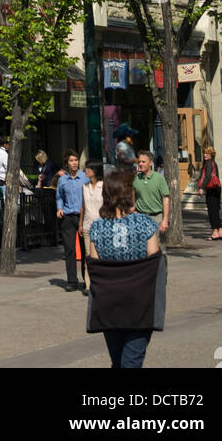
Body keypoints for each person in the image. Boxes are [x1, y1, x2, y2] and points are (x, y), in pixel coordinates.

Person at [88, 170, 161, 370]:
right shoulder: (146, 225)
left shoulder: (97, 228)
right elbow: (154, 264)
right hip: (139, 304)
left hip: (109, 304)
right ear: (129, 195)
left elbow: (95, 267)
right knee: (131, 362)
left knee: (118, 361)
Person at [56, 149, 88, 292]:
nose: (74, 163)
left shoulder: (85, 177)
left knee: (86, 249)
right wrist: (59, 208)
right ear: (67, 164)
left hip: (83, 217)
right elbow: (59, 196)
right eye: (71, 161)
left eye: (76, 160)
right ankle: (72, 281)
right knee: (69, 250)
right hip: (68, 217)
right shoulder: (62, 180)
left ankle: (87, 280)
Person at [78, 161, 104, 293]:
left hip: (102, 225)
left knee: (101, 255)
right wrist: (80, 223)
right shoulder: (84, 186)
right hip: (88, 225)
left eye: (89, 168)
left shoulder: (103, 186)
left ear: (95, 171)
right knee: (88, 256)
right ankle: (89, 285)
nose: (86, 170)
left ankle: (102, 282)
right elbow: (83, 206)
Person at [132, 151, 169, 238]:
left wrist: (165, 219)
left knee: (158, 248)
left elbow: (165, 199)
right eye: (139, 162)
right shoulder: (136, 178)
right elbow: (132, 197)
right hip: (140, 217)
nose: (140, 164)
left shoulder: (159, 178)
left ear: (151, 163)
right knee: (141, 247)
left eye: (143, 162)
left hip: (157, 217)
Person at [197, 146, 222, 240]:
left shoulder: (209, 163)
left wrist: (202, 187)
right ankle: (220, 231)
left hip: (211, 189)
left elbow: (208, 176)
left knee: (212, 211)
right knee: (216, 210)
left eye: (207, 154)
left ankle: (215, 232)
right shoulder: (213, 163)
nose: (205, 155)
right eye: (204, 153)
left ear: (211, 155)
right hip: (217, 188)